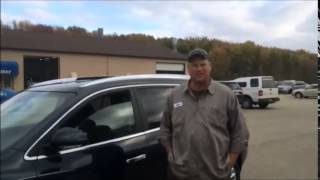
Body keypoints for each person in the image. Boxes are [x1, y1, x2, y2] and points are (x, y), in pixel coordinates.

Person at [160, 48, 249, 180]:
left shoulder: (226, 95)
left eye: (203, 64)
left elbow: (239, 132)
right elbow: (165, 129)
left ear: (210, 67)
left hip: (216, 174)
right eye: (194, 65)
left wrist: (230, 163)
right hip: (181, 173)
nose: (199, 69)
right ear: (188, 69)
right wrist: (171, 155)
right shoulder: (175, 96)